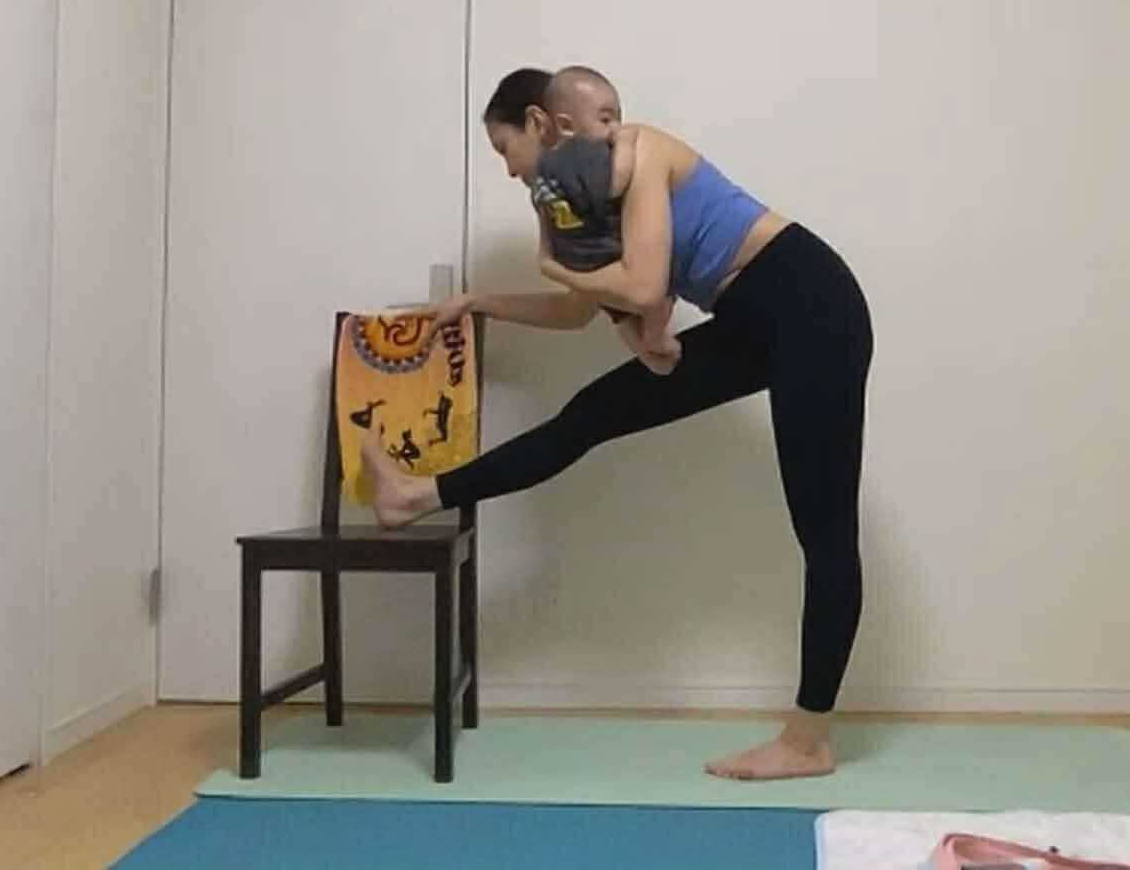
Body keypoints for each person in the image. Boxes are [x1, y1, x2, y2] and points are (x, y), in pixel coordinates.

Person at [361, 66, 874, 782]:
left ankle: (809, 738)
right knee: (592, 414)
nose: (507, 170)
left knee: (824, 532)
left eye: (505, 148)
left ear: (542, 124)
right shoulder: (572, 202)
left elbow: (640, 285)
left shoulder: (644, 153)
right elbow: (579, 311)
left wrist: (554, 267)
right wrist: (479, 303)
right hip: (755, 321)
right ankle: (416, 495)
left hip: (814, 307)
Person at [526, 67, 683, 373]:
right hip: (608, 256)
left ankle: (647, 354)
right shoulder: (586, 151)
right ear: (566, 126)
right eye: (606, 119)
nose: (616, 128)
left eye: (619, 120)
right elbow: (614, 184)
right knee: (660, 289)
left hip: (578, 261)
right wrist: (627, 142)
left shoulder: (545, 166)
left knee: (618, 314)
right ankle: (654, 337)